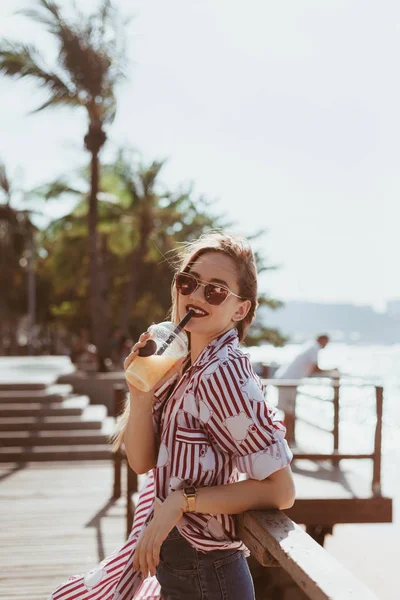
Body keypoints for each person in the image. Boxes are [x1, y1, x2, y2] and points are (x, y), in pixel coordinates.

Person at [49, 232, 295, 600]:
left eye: (215, 291)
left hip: (208, 574)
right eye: (188, 282)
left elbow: (281, 490)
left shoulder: (224, 373)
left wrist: (183, 501)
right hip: (181, 565)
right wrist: (140, 392)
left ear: (240, 309)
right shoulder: (186, 365)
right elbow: (142, 461)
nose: (195, 296)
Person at [274, 335, 340, 444]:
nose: (326, 345)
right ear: (321, 340)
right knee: (289, 413)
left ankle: (287, 439)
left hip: (286, 380)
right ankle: (286, 440)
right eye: (326, 342)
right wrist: (331, 371)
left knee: (288, 412)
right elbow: (315, 369)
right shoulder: (314, 348)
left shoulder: (309, 346)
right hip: (288, 382)